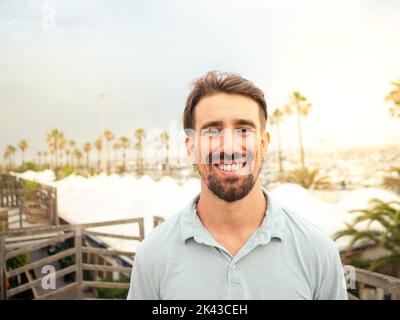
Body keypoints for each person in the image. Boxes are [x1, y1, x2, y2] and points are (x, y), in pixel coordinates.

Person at [127, 70, 348, 300]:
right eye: (212, 131)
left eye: (244, 130)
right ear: (191, 147)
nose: (230, 147)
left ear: (263, 144)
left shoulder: (318, 252)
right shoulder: (152, 256)